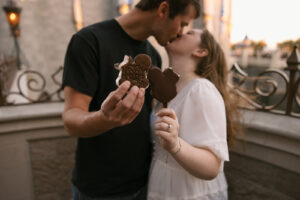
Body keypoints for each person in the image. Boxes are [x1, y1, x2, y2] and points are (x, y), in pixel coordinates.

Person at [61, 0, 201, 199]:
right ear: (163, 9)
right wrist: (104, 119)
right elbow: (71, 120)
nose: (181, 32)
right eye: (183, 23)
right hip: (99, 189)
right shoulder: (89, 41)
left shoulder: (153, 56)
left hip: (144, 184)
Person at [147, 29, 241, 200]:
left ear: (200, 51)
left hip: (190, 192)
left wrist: (175, 144)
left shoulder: (201, 89)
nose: (179, 31)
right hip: (162, 185)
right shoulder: (165, 91)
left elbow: (212, 167)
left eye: (189, 32)